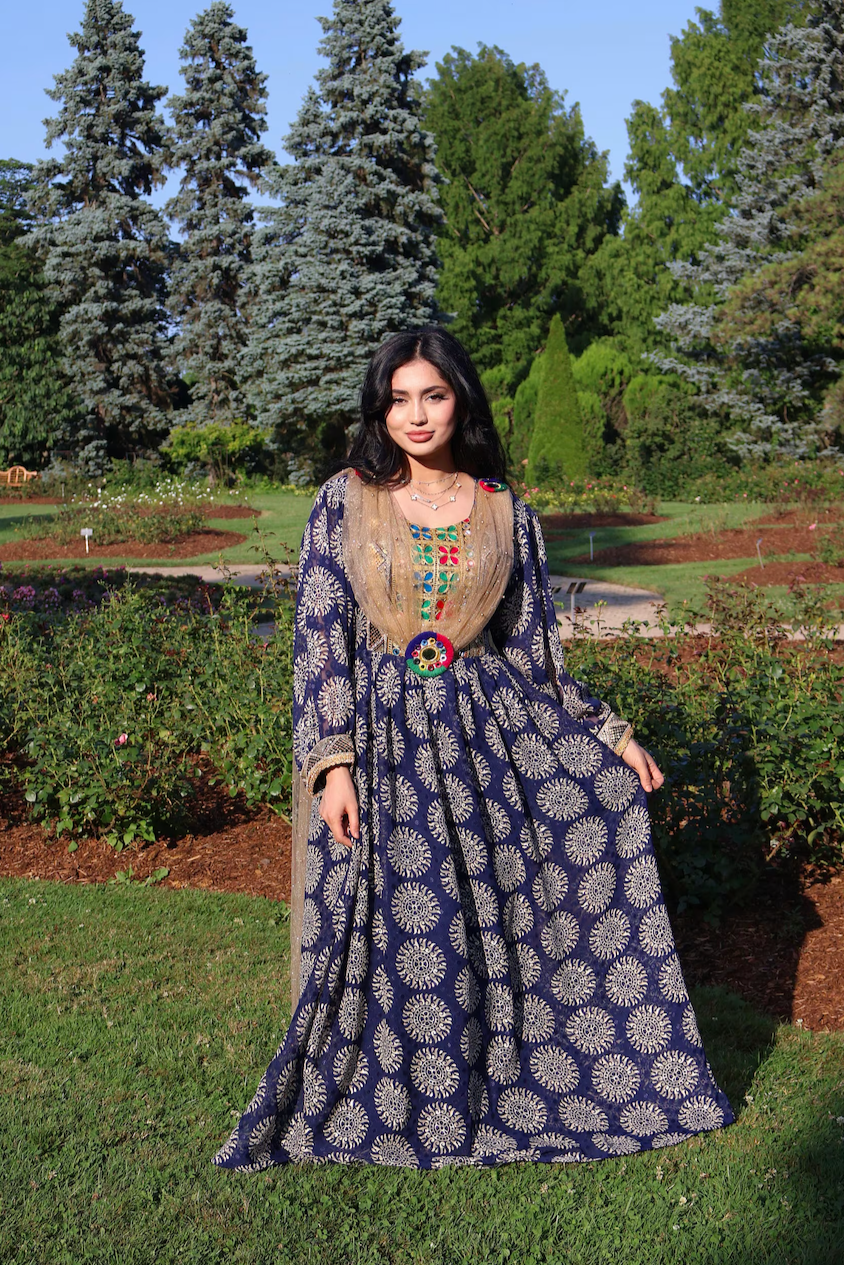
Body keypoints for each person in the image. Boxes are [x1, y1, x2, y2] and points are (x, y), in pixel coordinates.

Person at [212, 327, 734, 1171]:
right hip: (381, 739)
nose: (416, 415)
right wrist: (333, 763)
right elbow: (319, 639)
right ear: (380, 408)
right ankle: (399, 1092)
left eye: (434, 395)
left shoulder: (502, 510)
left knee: (484, 916)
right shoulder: (345, 501)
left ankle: (498, 1079)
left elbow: (536, 655)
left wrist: (611, 735)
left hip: (484, 740)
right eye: (399, 398)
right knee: (400, 918)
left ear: (461, 401)